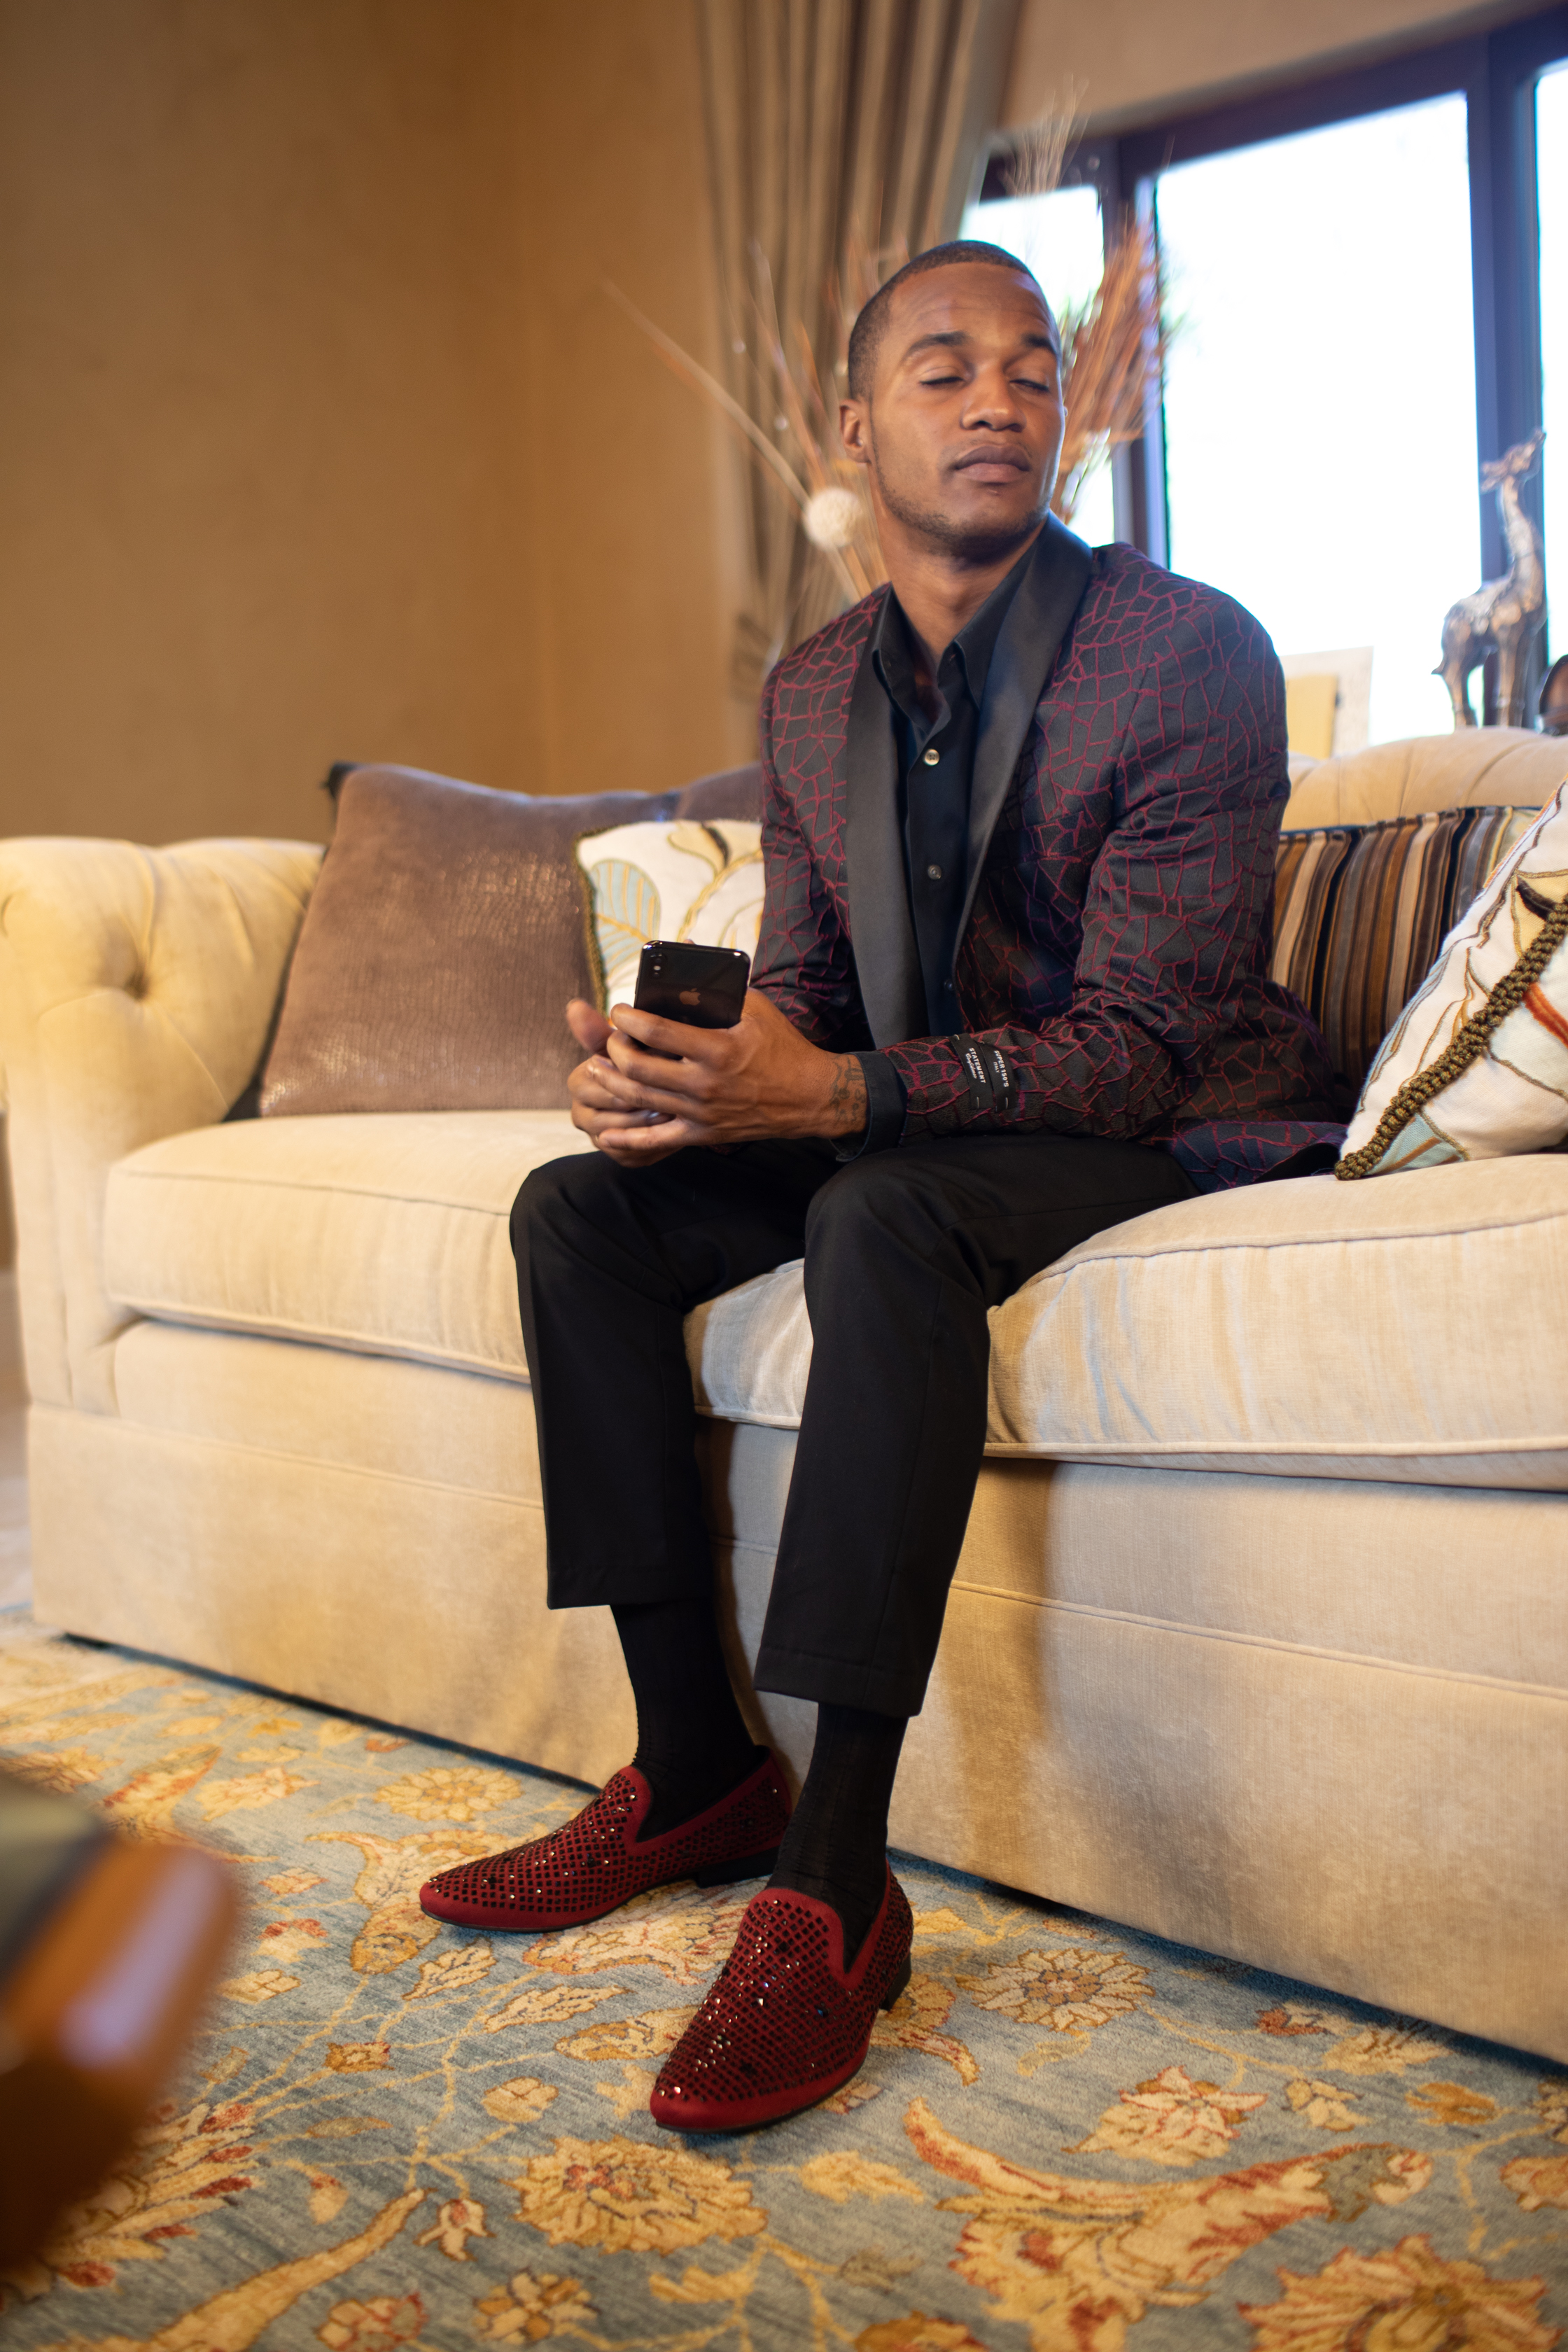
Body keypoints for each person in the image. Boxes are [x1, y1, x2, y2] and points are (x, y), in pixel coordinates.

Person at [420, 240, 1339, 2132]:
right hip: (918, 1115)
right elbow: (816, 993)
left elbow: (1139, 1045)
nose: (999, 398)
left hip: (1150, 1127)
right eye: (944, 369)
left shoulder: (1185, 650)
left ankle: (835, 1880)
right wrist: (689, 1076)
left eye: (1031, 367)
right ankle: (693, 1768)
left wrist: (836, 1097)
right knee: (577, 1212)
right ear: (856, 428)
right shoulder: (815, 687)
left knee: (878, 1213)